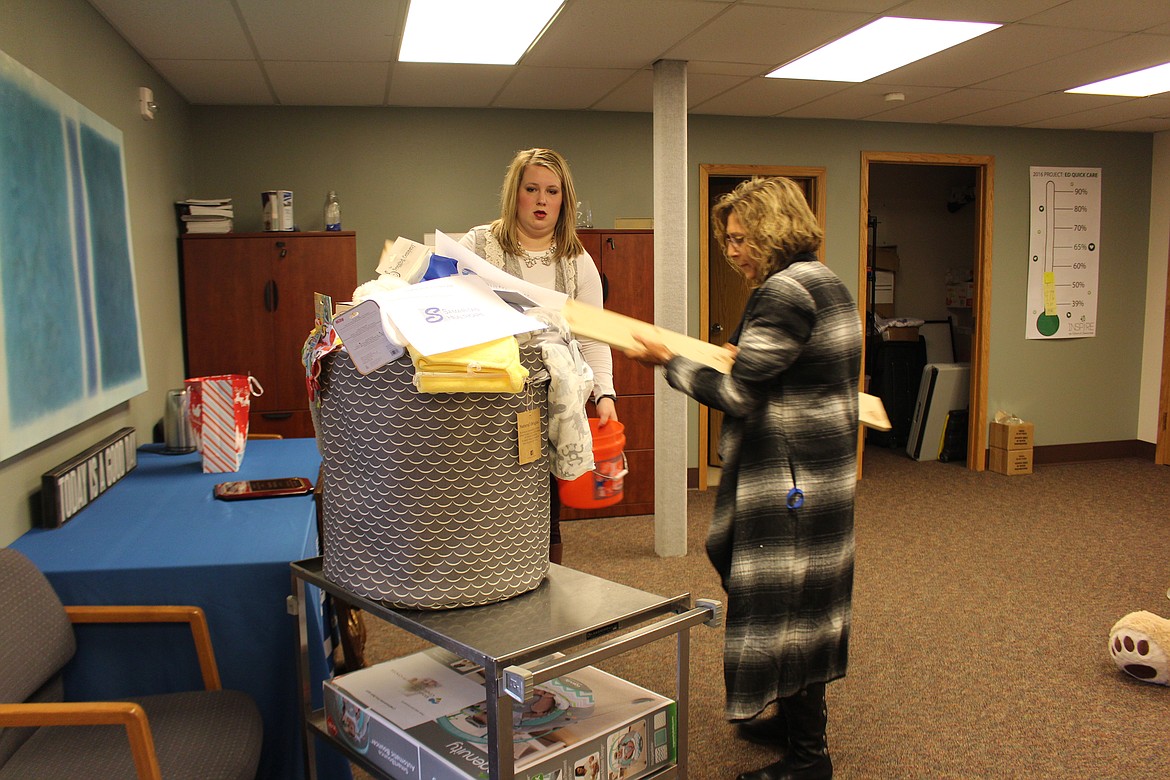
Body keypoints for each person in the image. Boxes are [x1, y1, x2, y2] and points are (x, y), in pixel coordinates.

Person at [625, 177, 860, 780]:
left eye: (740, 238)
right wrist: (736, 355)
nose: (731, 251)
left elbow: (740, 394)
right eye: (726, 240)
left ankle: (810, 759)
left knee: (788, 607)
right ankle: (791, 722)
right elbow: (776, 370)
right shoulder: (826, 282)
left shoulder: (783, 292)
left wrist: (668, 362)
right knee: (802, 603)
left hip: (790, 482)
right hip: (820, 471)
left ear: (771, 229)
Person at [459, 148, 618, 565]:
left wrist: (605, 395)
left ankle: (543, 585)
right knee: (483, 506)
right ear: (516, 194)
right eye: (532, 189)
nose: (542, 200)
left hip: (547, 406)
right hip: (485, 403)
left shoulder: (577, 260)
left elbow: (593, 337)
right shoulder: (477, 245)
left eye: (552, 190)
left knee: (543, 512)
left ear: (565, 199)